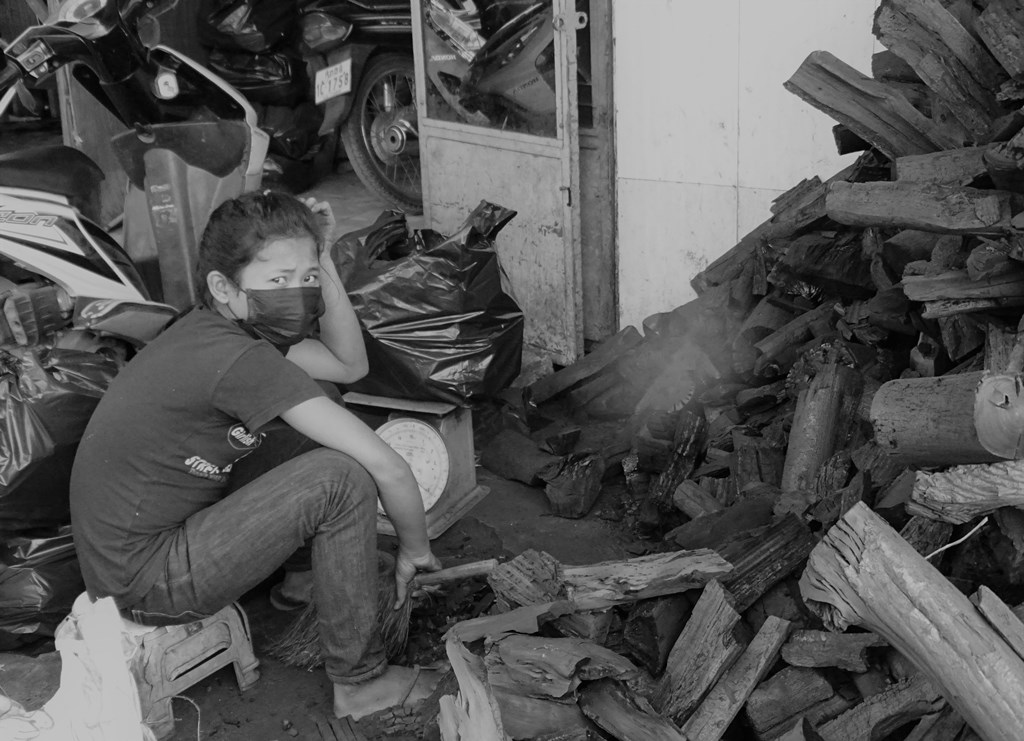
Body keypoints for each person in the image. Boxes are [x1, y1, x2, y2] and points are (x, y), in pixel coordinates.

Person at [69, 191, 441, 718]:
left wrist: (325, 258)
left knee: (320, 409)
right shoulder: (241, 358)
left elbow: (347, 364)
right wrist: (414, 549)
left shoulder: (221, 329)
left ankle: (300, 579)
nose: (299, 294)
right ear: (223, 286)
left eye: (306, 279)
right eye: (279, 280)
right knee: (340, 477)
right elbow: (388, 465)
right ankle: (360, 683)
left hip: (142, 549)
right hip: (147, 581)